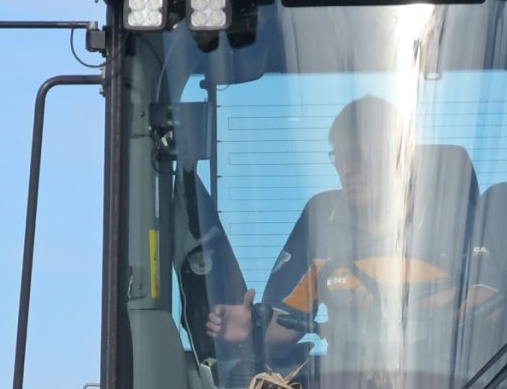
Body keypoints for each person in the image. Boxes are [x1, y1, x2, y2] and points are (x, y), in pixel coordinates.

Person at [205, 96, 478, 374]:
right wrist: (253, 326)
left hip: (445, 386)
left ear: (397, 155)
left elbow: (492, 304)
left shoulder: (451, 216)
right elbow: (289, 319)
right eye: (341, 157)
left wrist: (400, 306)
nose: (348, 169)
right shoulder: (321, 217)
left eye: (359, 156)